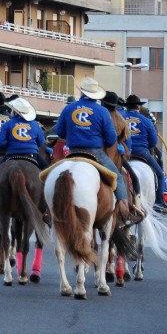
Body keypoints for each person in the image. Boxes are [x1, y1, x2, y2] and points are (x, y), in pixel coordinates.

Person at [54, 77, 141, 225]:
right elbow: (111, 138)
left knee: (51, 174)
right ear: (95, 94)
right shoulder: (102, 111)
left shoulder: (68, 108)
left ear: (82, 92)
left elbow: (60, 132)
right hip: (95, 153)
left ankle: (47, 210)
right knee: (118, 177)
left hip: (72, 152)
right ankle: (125, 210)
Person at [122, 95, 167, 212]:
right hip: (142, 152)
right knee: (160, 174)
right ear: (138, 106)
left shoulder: (120, 118)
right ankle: (159, 204)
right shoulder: (146, 120)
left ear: (126, 106)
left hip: (124, 153)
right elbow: (153, 141)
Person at [0, 97, 48, 168]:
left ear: (14, 112)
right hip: (32, 155)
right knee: (48, 171)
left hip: (11, 154)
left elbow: (0, 143)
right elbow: (41, 142)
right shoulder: (35, 125)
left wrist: (8, 146)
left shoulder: (7, 124)